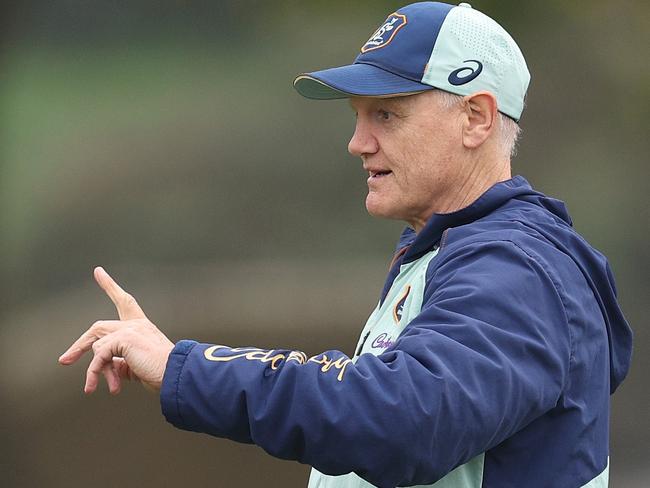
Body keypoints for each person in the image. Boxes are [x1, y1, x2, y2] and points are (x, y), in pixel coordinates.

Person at [59, 2, 633, 487]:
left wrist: (184, 366)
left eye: (386, 113)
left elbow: (400, 418)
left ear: (477, 118)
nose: (358, 143)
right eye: (359, 117)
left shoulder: (516, 266)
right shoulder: (453, 252)